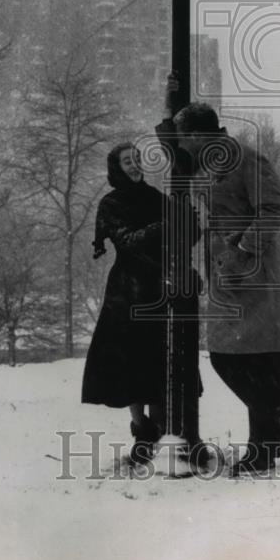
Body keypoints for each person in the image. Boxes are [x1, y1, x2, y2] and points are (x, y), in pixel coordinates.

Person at [161, 80, 280, 476]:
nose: (181, 146)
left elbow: (276, 207)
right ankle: (277, 434)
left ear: (198, 136)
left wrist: (243, 248)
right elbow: (168, 143)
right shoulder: (206, 162)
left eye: (185, 138)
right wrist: (170, 105)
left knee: (247, 358)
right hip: (229, 275)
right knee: (240, 357)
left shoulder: (246, 159)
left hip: (256, 273)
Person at [81, 142, 198, 465]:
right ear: (117, 168)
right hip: (128, 291)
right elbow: (128, 241)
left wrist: (190, 223)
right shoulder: (111, 203)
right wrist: (168, 224)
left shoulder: (156, 198)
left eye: (136, 160)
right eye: (127, 162)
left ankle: (158, 431)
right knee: (128, 364)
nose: (134, 166)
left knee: (156, 361)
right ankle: (140, 428)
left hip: (161, 287)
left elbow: (185, 237)